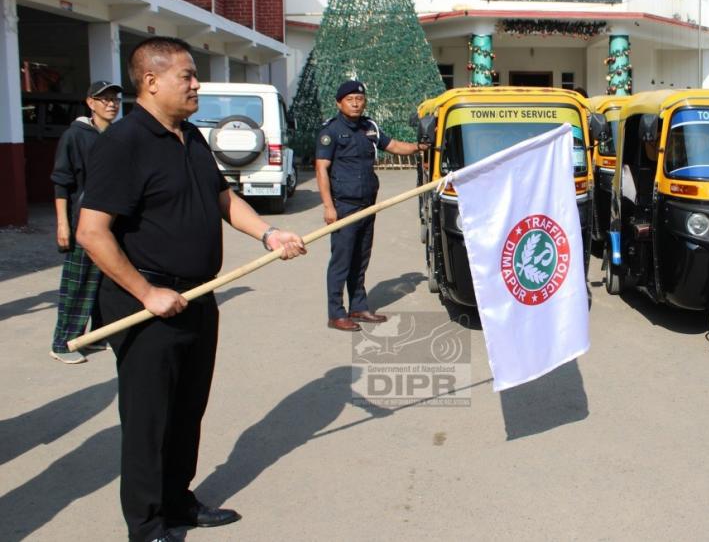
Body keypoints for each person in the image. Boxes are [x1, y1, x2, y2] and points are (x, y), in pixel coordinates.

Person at [77, 36, 306, 542]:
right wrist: (146, 293)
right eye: (187, 75)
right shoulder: (124, 142)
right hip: (149, 307)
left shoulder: (190, 135)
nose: (197, 83)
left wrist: (269, 233)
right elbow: (91, 232)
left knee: (187, 410)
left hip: (199, 296)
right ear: (151, 82)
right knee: (148, 419)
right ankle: (147, 524)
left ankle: (178, 502)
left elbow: (223, 198)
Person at [315, 80, 427, 331]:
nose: (355, 103)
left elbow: (394, 146)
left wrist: (418, 148)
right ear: (339, 103)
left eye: (359, 99)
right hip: (344, 206)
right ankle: (336, 313)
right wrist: (328, 206)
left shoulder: (370, 127)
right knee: (341, 261)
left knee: (361, 258)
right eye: (350, 99)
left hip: (368, 205)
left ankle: (358, 306)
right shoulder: (330, 132)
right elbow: (321, 168)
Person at [48, 80, 121, 364]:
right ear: (90, 103)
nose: (111, 104)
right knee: (77, 284)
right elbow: (61, 183)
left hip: (111, 223)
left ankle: (94, 337)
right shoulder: (75, 136)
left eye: (115, 99)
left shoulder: (116, 136)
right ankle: (62, 343)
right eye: (104, 99)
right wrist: (63, 225)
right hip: (83, 223)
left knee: (105, 282)